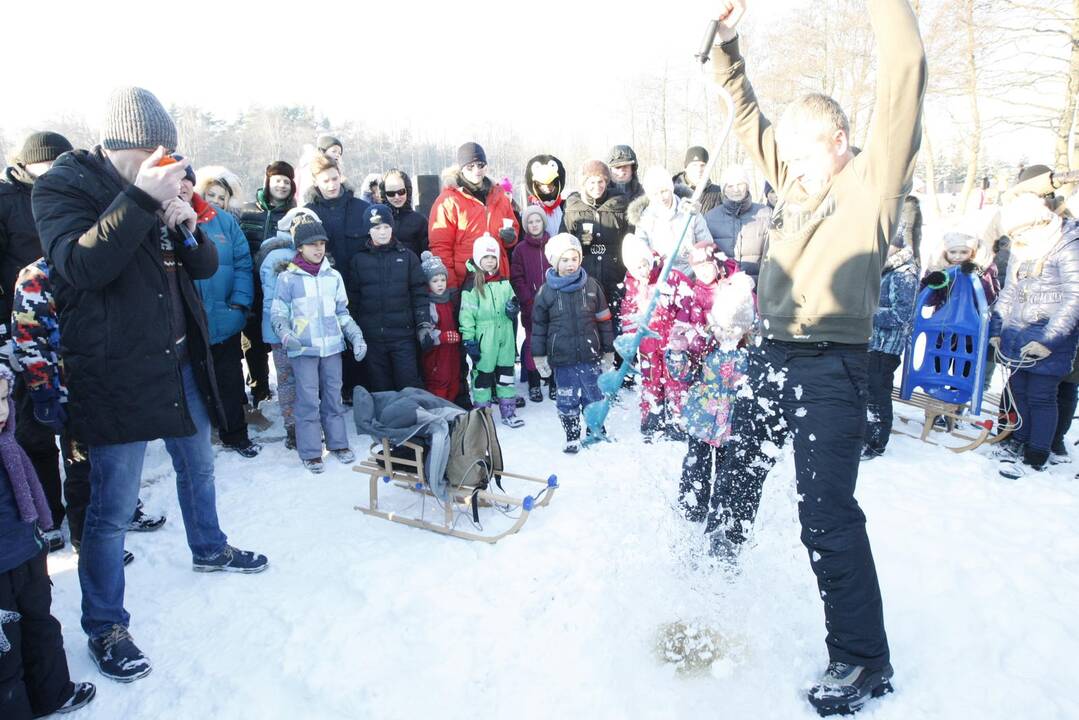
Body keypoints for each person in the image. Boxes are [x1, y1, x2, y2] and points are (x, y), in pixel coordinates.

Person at [712, 0, 926, 712]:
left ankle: (862, 660)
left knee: (825, 516)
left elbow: (904, 72)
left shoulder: (868, 185)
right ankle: (714, 571)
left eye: (804, 151)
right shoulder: (794, 181)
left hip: (834, 367)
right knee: (731, 466)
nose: (790, 164)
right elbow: (745, 117)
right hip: (771, 358)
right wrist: (724, 43)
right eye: (789, 153)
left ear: (838, 141)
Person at [32, 86, 269, 682]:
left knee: (200, 466)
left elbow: (207, 267)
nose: (168, 161)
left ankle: (209, 547)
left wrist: (187, 227)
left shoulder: (158, 185)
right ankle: (105, 625)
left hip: (178, 359)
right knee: (111, 511)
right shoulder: (63, 186)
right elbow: (80, 266)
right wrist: (142, 199)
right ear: (121, 146)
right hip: (113, 374)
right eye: (155, 150)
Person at [11, 257, 162, 564]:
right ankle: (87, 540)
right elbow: (28, 340)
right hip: (70, 391)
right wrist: (43, 392)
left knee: (120, 457)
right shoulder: (37, 275)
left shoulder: (106, 262)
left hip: (114, 383)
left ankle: (123, 510)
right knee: (82, 466)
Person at [0, 365, 96, 719]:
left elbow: (31, 495)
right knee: (4, 651)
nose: (1, 411)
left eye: (3, 400)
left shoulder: (8, 445)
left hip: (27, 551)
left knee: (40, 624)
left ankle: (53, 693)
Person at [0, 131, 73, 548]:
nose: (52, 171)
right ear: (26, 165)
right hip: (22, 326)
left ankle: (92, 514)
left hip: (71, 324)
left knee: (83, 432)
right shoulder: (8, 200)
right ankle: (47, 515)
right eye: (46, 165)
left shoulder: (73, 193)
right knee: (33, 429)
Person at [991, 193, 1079, 478]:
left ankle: (1037, 451)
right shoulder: (1023, 248)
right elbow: (1009, 292)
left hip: (1049, 337)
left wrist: (1047, 341)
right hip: (1018, 333)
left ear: (1038, 222)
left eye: (1021, 230)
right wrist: (997, 329)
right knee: (1019, 392)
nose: (1018, 237)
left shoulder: (1067, 245)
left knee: (1041, 396)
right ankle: (1019, 439)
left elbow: (1074, 298)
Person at [270, 216, 367, 473]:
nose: (318, 248)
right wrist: (286, 335)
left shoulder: (332, 276)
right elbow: (278, 313)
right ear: (300, 247)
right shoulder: (288, 279)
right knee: (308, 400)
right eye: (312, 244)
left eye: (322, 243)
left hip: (333, 348)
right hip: (303, 349)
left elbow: (342, 312)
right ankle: (312, 451)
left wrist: (355, 335)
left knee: (334, 397)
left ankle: (338, 443)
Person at [666, 264, 756, 522]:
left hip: (732, 425)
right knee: (696, 468)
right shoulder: (704, 345)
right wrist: (677, 351)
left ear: (745, 328)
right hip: (702, 421)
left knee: (729, 475)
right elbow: (682, 374)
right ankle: (691, 508)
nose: (725, 333)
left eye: (733, 329)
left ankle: (721, 513)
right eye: (721, 326)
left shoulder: (751, 354)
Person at [181, 167, 260, 458]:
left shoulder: (226, 224)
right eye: (210, 194)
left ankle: (236, 433)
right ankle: (202, 436)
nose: (214, 200)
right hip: (190, 321)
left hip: (224, 316)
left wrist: (239, 304)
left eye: (221, 196)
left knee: (229, 378)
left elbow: (242, 264)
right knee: (196, 382)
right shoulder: (175, 219)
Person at [531, 233, 614, 452]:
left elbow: (604, 320)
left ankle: (595, 428)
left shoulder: (592, 286)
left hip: (590, 354)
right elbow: (538, 328)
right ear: (555, 262)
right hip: (563, 358)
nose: (570, 264)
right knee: (567, 398)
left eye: (574, 259)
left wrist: (608, 350)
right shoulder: (546, 292)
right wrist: (539, 357)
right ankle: (572, 434)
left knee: (593, 395)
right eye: (565, 260)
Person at [304, 155, 370, 401]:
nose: (331, 185)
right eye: (325, 180)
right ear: (315, 182)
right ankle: (335, 392)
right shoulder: (310, 213)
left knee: (359, 337)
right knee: (331, 341)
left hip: (359, 287)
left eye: (334, 178)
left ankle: (359, 389)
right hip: (324, 291)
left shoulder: (361, 209)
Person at [255, 207, 319, 451]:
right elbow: (274, 300)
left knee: (299, 380)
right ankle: (295, 426)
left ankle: (304, 425)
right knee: (291, 380)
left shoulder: (309, 253)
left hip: (302, 331)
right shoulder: (278, 257)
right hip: (284, 332)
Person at [347, 204, 428, 392]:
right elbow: (353, 298)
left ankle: (411, 419)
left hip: (403, 336)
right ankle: (385, 421)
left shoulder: (408, 257)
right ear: (368, 230)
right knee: (380, 387)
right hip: (373, 337)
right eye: (376, 228)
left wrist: (423, 324)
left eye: (386, 227)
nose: (382, 232)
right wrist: (353, 332)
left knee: (409, 384)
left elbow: (419, 293)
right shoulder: (359, 260)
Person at [620, 233, 691, 441]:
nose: (642, 271)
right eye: (636, 268)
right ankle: (652, 415)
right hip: (647, 343)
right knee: (650, 379)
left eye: (644, 265)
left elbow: (687, 301)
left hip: (670, 340)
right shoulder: (632, 284)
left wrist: (680, 327)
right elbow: (629, 312)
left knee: (674, 380)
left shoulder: (670, 276)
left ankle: (676, 420)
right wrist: (629, 337)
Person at [238, 160, 296, 409]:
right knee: (252, 340)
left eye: (286, 181)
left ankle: (287, 385)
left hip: (279, 285)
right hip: (251, 282)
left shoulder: (293, 214)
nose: (281, 185)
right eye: (277, 180)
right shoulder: (248, 211)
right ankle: (259, 387)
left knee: (280, 333)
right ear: (267, 182)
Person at [862, 223, 919, 460]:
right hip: (870, 342)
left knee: (877, 392)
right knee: (866, 391)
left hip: (886, 346)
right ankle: (864, 434)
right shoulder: (881, 268)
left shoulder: (904, 273)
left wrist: (866, 312)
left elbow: (901, 315)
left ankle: (876, 441)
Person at [428, 142, 519, 289]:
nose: (476, 170)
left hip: (498, 278)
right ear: (462, 168)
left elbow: (513, 228)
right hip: (467, 281)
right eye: (470, 166)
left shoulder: (499, 195)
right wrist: (450, 286)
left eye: (481, 165)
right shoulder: (448, 200)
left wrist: (510, 237)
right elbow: (440, 247)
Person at [459, 234, 523, 427]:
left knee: (506, 374)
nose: (489, 261)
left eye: (493, 257)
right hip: (484, 338)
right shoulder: (472, 285)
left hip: (505, 335)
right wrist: (469, 339)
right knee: (483, 377)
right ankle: (482, 416)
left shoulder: (504, 282)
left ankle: (508, 412)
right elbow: (467, 315)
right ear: (478, 259)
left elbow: (513, 301)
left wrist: (513, 308)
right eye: (486, 257)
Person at [630, 167, 713, 276]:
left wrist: (700, 257)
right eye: (655, 194)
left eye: (664, 191)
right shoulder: (645, 219)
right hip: (661, 277)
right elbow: (641, 251)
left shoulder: (690, 211)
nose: (661, 198)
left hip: (692, 274)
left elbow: (706, 243)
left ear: (671, 188)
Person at [510, 205, 553, 403]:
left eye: (537, 221)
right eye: (530, 222)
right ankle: (534, 383)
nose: (534, 225)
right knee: (532, 344)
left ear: (543, 223)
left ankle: (553, 382)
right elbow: (517, 277)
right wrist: (527, 298)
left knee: (553, 343)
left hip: (553, 305)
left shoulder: (553, 244)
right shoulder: (520, 249)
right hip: (531, 306)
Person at [704, 165, 771, 284]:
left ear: (747, 186)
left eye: (740, 184)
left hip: (758, 289)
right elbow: (707, 259)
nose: (736, 190)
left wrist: (755, 281)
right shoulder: (710, 218)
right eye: (730, 186)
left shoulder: (765, 214)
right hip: (723, 290)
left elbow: (772, 256)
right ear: (724, 189)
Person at [418, 251, 461, 402]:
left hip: (452, 351)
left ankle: (452, 411)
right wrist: (441, 336)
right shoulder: (429, 304)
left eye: (442, 279)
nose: (440, 284)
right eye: (435, 281)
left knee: (454, 380)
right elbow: (426, 330)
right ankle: (440, 412)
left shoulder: (449, 300)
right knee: (439, 382)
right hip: (437, 353)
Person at [379, 169, 428, 256]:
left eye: (401, 192)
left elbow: (426, 253)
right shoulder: (377, 220)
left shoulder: (420, 221)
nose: (397, 197)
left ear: (407, 191)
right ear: (384, 194)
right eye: (391, 193)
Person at [672, 146, 724, 215]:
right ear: (686, 168)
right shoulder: (671, 192)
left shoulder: (719, 194)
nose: (699, 169)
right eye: (694, 165)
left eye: (702, 165)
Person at [524, 154, 567, 237]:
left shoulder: (565, 207)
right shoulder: (531, 210)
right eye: (541, 184)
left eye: (550, 183)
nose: (547, 187)